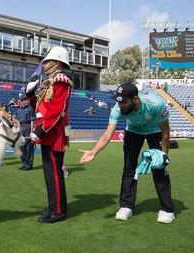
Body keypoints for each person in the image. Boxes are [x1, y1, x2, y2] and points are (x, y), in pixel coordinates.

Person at [79, 83, 175, 224]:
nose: (120, 105)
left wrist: (164, 155)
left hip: (155, 131)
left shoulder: (156, 104)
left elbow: (165, 132)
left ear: (135, 99)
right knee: (129, 168)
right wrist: (93, 152)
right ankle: (126, 206)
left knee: (159, 168)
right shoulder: (118, 109)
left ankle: (167, 210)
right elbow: (107, 134)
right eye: (118, 101)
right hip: (133, 132)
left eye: (124, 102)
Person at [25, 46, 72, 223]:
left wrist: (40, 130)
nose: (44, 65)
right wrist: (30, 95)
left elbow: (56, 110)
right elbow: (39, 107)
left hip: (53, 135)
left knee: (54, 174)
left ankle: (58, 211)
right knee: (49, 175)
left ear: (57, 62)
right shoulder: (49, 83)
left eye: (47, 61)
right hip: (47, 134)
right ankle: (54, 207)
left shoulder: (61, 81)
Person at [15, 94, 36, 171]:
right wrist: (18, 130)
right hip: (21, 128)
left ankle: (29, 165)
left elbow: (32, 121)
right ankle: (23, 164)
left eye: (26, 100)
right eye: (24, 100)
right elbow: (18, 121)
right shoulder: (19, 110)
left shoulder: (30, 109)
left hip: (28, 127)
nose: (26, 101)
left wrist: (31, 131)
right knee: (22, 148)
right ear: (21, 101)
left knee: (29, 148)